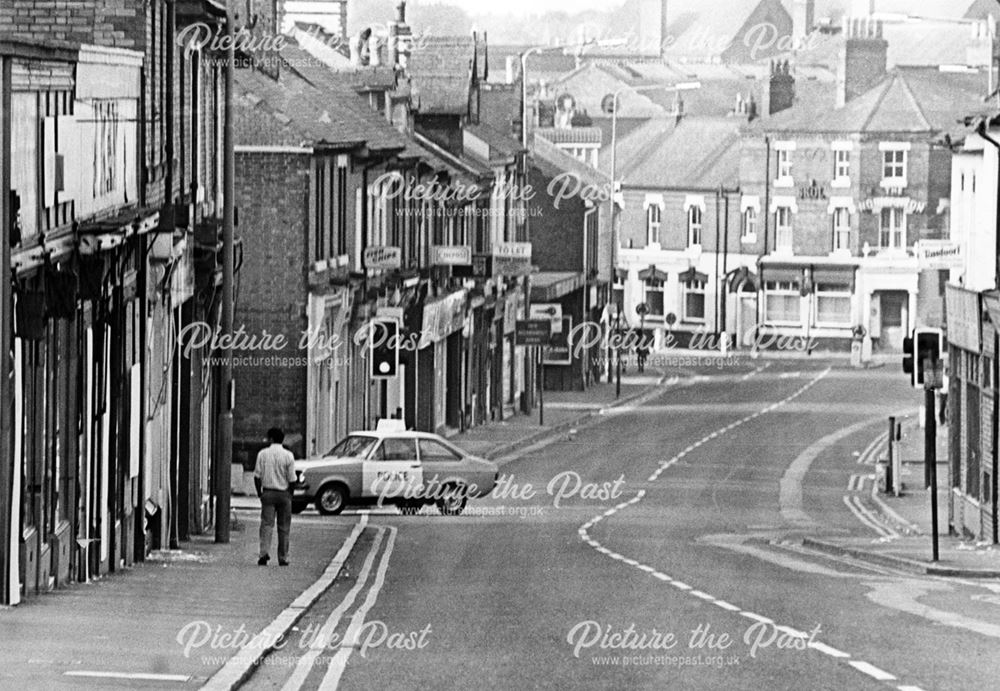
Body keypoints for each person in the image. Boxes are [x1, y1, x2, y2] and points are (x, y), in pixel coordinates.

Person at [254, 427, 297, 566]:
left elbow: (257, 476)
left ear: (271, 439)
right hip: (284, 494)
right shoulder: (288, 455)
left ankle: (264, 553)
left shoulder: (263, 454)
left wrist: (260, 493)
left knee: (266, 525)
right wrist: (290, 494)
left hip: (268, 493)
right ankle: (283, 557)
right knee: (284, 527)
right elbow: (292, 479)